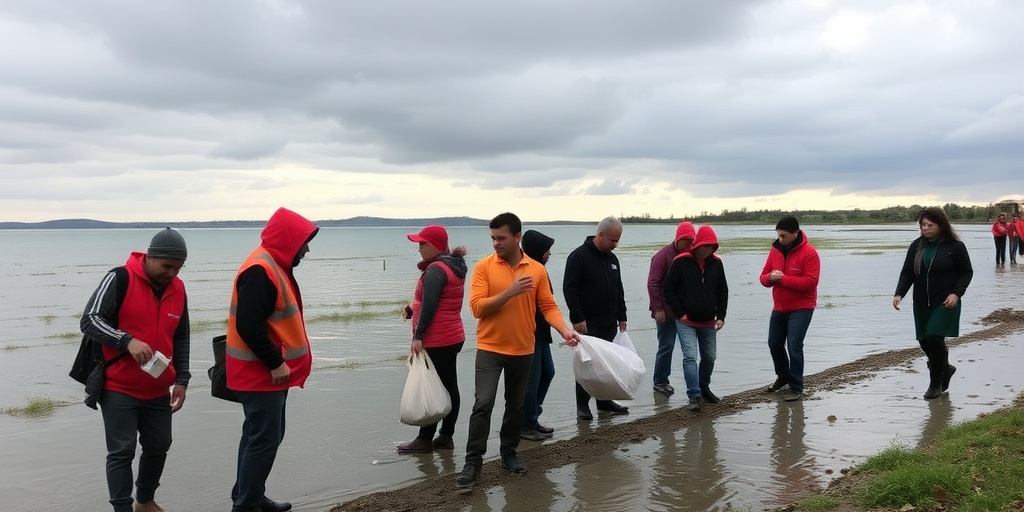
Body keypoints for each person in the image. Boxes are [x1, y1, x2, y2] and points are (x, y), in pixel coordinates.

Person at [456, 212, 579, 487]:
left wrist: (565, 330)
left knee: (516, 405)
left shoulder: (536, 269)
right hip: (489, 348)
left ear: (517, 237)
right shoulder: (484, 267)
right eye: (493, 238)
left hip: (523, 349)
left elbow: (548, 306)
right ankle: (472, 462)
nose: (496, 243)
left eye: (501, 238)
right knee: (483, 403)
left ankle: (509, 454)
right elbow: (477, 308)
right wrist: (510, 292)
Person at [80, 228, 191, 512]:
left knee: (159, 445)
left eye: (178, 268)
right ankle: (122, 508)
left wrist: (182, 379)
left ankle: (145, 501)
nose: (172, 274)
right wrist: (126, 340)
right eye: (167, 266)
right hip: (118, 386)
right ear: (150, 257)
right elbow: (90, 320)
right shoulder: (120, 277)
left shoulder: (178, 288)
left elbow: (181, 336)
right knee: (122, 451)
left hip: (157, 387)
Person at [226, 207, 318, 512]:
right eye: (304, 242)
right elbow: (248, 325)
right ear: (289, 240)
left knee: (259, 438)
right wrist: (275, 363)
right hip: (260, 375)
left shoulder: (272, 264)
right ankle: (246, 505)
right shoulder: (261, 269)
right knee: (264, 441)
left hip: (264, 374)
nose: (307, 249)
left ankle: (250, 496)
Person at [396, 225, 468, 454]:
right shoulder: (452, 266)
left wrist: (418, 336)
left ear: (435, 245)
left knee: (433, 388)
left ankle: (425, 439)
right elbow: (436, 300)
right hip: (452, 335)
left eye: (422, 244)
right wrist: (412, 307)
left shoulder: (436, 269)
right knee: (449, 386)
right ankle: (446, 437)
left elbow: (430, 306)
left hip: (438, 339)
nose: (419, 249)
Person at [894, 207, 973, 400]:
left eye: (929, 225)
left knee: (934, 337)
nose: (925, 228)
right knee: (923, 340)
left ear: (941, 225)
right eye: (922, 225)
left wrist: (956, 294)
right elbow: (908, 272)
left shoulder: (955, 247)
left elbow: (966, 273)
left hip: (946, 301)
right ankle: (946, 368)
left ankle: (935, 384)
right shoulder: (917, 246)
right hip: (921, 302)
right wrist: (899, 293)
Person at [563, 216, 629, 420]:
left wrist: (622, 315)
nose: (616, 244)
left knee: (605, 364)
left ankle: (604, 402)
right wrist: (577, 317)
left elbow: (618, 288)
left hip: (609, 321)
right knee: (586, 364)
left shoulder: (612, 259)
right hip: (587, 323)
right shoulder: (578, 257)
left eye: (618, 240)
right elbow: (569, 289)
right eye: (613, 240)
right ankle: (582, 406)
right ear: (600, 235)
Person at [661, 225, 728, 412]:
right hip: (686, 321)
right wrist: (680, 313)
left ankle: (704, 388)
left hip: (709, 321)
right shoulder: (680, 261)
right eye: (706, 246)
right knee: (690, 357)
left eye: (712, 247)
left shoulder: (716, 263)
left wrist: (721, 316)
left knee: (710, 357)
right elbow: (668, 289)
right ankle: (694, 395)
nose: (709, 250)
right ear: (698, 245)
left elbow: (722, 291)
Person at [759, 216, 821, 403]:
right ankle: (783, 376)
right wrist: (770, 277)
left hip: (802, 307)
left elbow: (811, 282)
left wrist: (783, 279)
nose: (780, 239)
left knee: (794, 346)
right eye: (778, 235)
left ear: (796, 233)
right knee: (774, 343)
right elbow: (763, 278)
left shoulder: (809, 253)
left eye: (784, 236)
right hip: (779, 307)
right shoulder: (775, 250)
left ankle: (796, 387)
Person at [647, 221, 696, 397]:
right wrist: (658, 309)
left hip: (685, 311)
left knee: (690, 349)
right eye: (686, 240)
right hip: (666, 312)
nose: (689, 244)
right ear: (678, 239)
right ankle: (660, 381)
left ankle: (695, 384)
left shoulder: (691, 255)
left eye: (692, 241)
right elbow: (653, 283)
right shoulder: (662, 256)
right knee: (666, 345)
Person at [520, 229, 556, 441]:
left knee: (548, 372)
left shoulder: (541, 270)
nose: (549, 253)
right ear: (537, 250)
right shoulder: (528, 272)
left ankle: (532, 416)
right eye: (546, 249)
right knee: (532, 380)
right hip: (529, 334)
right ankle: (525, 424)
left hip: (542, 333)